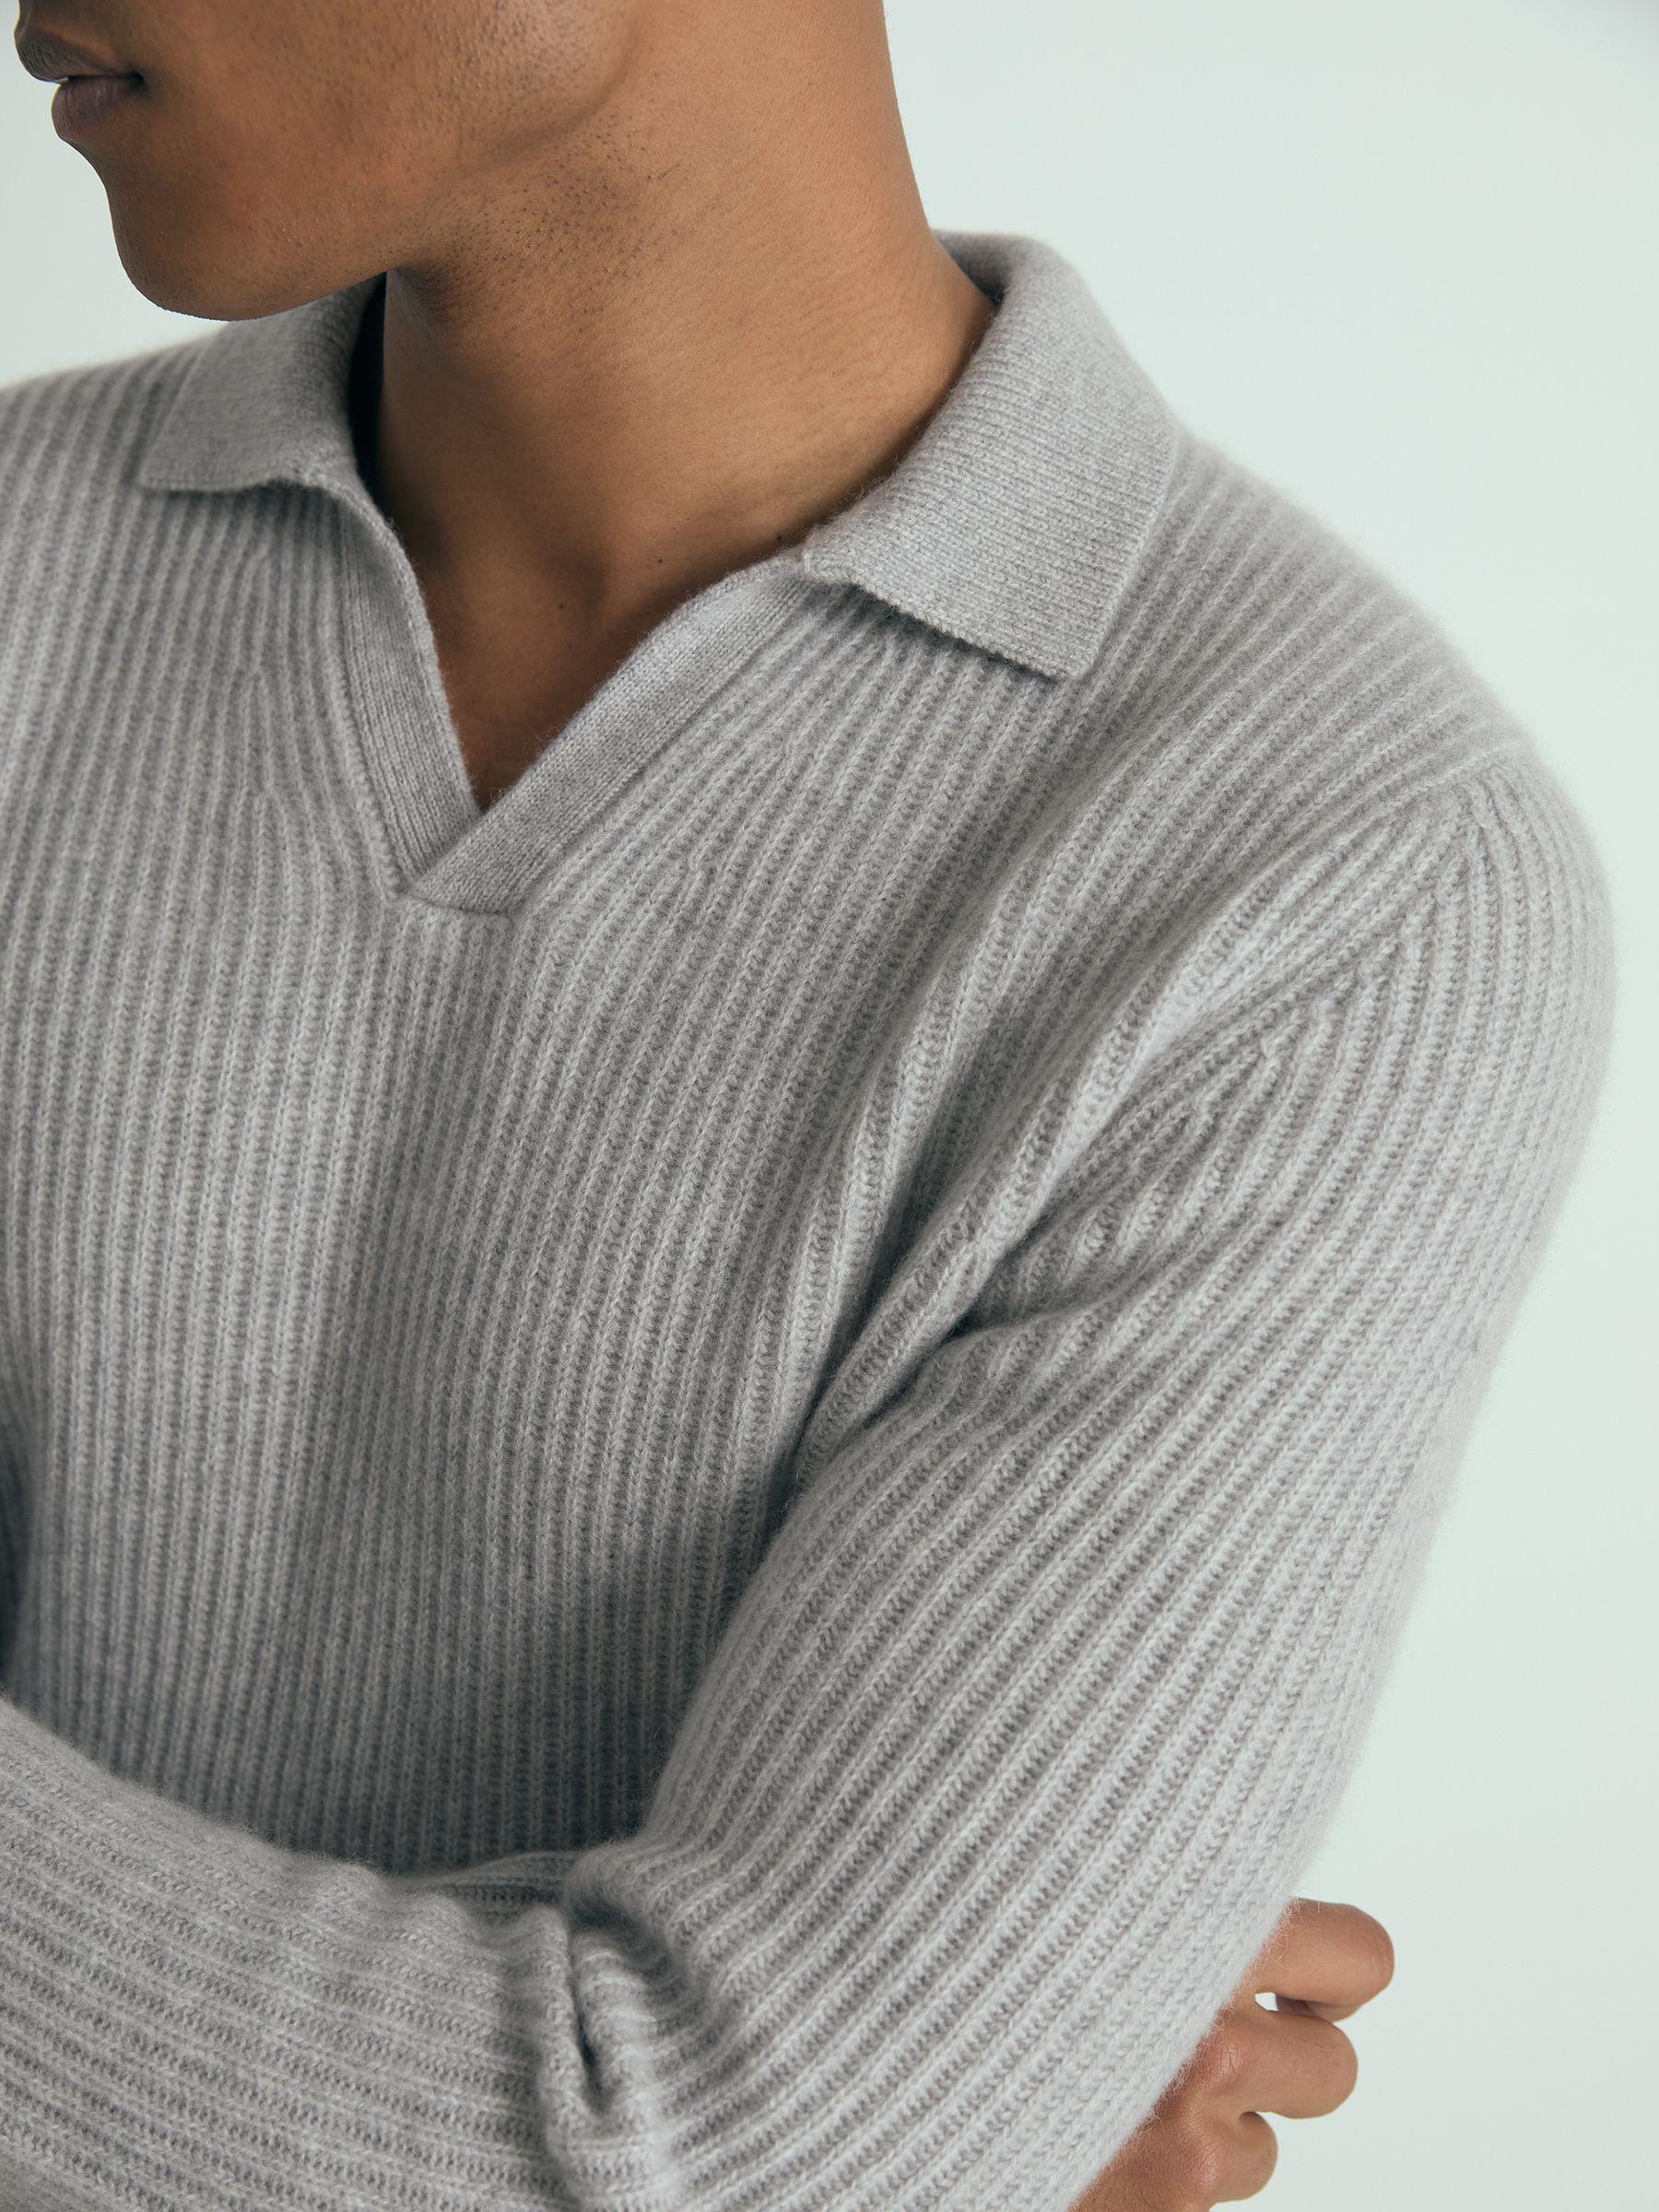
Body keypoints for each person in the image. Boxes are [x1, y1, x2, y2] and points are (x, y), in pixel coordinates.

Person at [0, 2, 1612, 2208]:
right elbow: (747, 2154)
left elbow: (717, 2151)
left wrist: (788, 2125)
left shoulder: (1332, 880)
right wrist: (918, 2087)